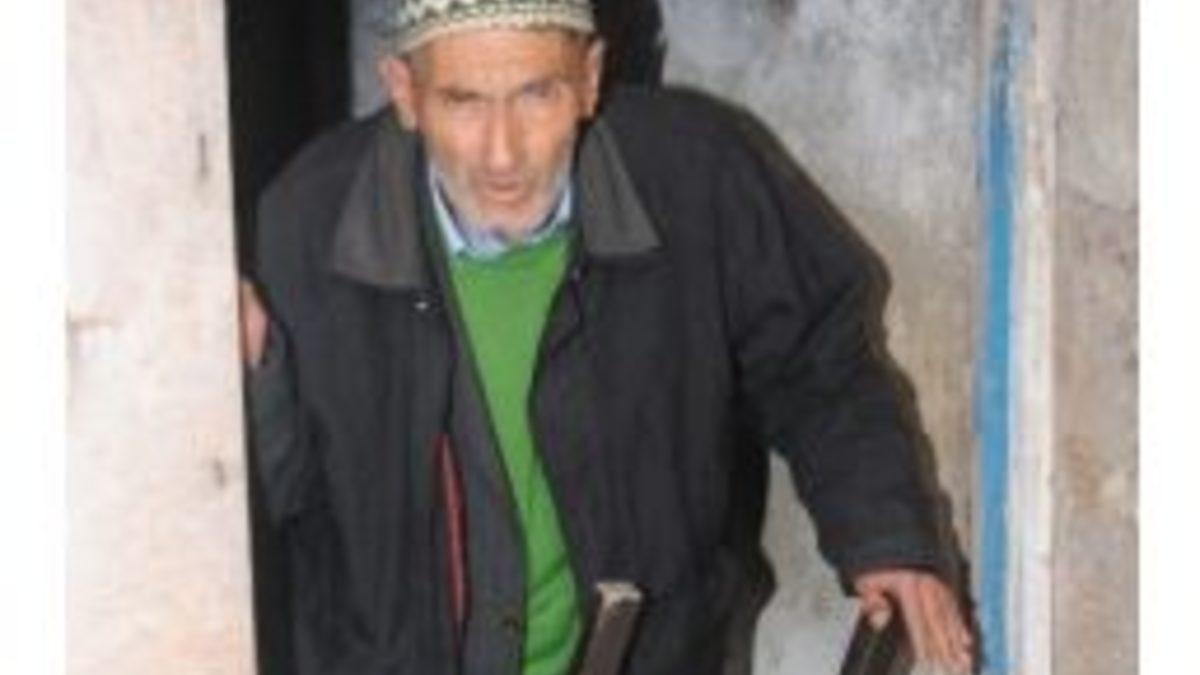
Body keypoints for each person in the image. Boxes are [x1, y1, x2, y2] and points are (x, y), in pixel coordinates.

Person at [240, 1, 974, 673]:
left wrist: (885, 534)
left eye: (537, 94)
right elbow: (275, 496)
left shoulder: (695, 177)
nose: (503, 153)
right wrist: (250, 377)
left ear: (589, 78)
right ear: (404, 91)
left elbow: (820, 362)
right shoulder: (307, 224)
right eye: (463, 101)